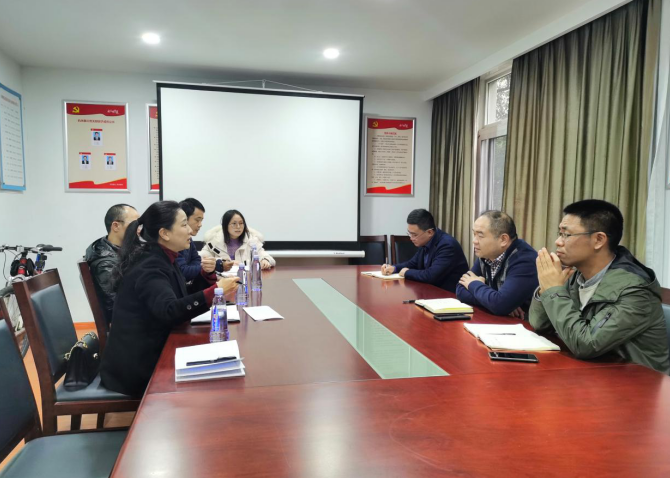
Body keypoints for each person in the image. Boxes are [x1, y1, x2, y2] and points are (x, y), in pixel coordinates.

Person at [100, 201, 239, 396]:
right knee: (219, 381)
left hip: (153, 350)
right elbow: (170, 311)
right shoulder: (150, 265)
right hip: (139, 367)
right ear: (164, 233)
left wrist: (206, 278)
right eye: (184, 224)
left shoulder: (164, 257)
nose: (190, 230)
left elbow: (180, 295)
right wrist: (215, 290)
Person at [529, 199, 670, 374]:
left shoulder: (635, 291)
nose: (558, 241)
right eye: (560, 233)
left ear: (598, 240)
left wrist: (554, 292)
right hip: (593, 373)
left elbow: (586, 344)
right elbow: (540, 324)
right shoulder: (576, 276)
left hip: (638, 383)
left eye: (566, 235)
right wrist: (546, 288)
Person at [456, 211, 538, 317]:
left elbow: (500, 305)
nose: (474, 241)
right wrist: (494, 301)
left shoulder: (524, 260)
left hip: (525, 323)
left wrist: (474, 284)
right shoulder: (487, 255)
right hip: (501, 319)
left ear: (503, 240)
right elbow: (460, 290)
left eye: (480, 236)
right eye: (474, 234)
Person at [381, 209, 468, 292]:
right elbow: (412, 263)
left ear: (429, 232)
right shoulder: (425, 242)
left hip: (449, 296)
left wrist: (407, 272)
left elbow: (431, 276)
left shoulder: (447, 245)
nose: (411, 238)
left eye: (414, 235)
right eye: (409, 233)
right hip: (431, 291)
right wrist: (394, 268)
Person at [84, 204, 139, 328]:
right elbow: (116, 307)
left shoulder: (122, 248)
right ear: (116, 226)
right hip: (127, 326)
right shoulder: (105, 263)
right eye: (135, 224)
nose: (139, 230)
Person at [200, 209, 275, 270]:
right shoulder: (213, 242)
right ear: (225, 225)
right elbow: (200, 260)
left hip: (246, 278)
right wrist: (220, 264)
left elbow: (269, 258)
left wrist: (265, 260)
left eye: (241, 223)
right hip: (221, 280)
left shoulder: (252, 241)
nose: (238, 227)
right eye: (234, 224)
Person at [176, 198, 217, 282]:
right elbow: (182, 272)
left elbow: (196, 259)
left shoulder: (189, 238)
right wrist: (208, 268)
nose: (200, 225)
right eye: (197, 220)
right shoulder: (174, 241)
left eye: (201, 221)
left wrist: (191, 268)